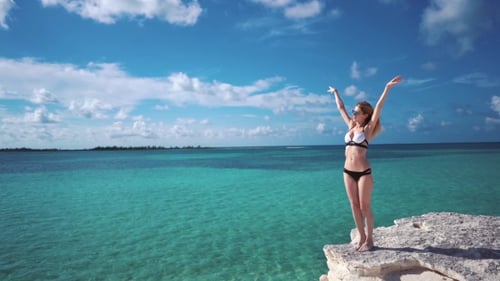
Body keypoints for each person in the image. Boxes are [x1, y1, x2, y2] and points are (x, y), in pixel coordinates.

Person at [327, 75, 403, 252]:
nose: (353, 114)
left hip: (364, 173)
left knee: (364, 207)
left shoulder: (367, 129)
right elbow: (340, 108)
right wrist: (335, 93)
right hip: (347, 171)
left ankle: (370, 240)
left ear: (365, 115)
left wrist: (387, 87)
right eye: (353, 112)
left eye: (356, 112)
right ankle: (361, 237)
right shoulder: (350, 127)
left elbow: (379, 107)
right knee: (353, 205)